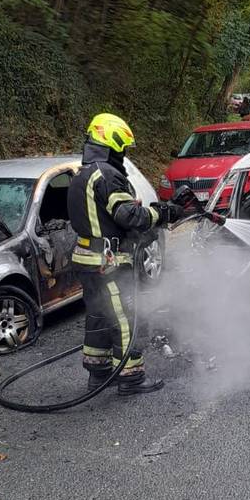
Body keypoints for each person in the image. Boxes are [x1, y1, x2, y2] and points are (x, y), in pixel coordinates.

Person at [68, 113, 180, 395]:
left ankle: (99, 374)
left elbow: (107, 216)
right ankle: (130, 378)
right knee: (126, 319)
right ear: (113, 143)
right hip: (109, 263)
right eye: (123, 148)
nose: (124, 153)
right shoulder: (107, 174)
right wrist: (159, 213)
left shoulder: (84, 174)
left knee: (99, 317)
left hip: (88, 259)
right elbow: (128, 215)